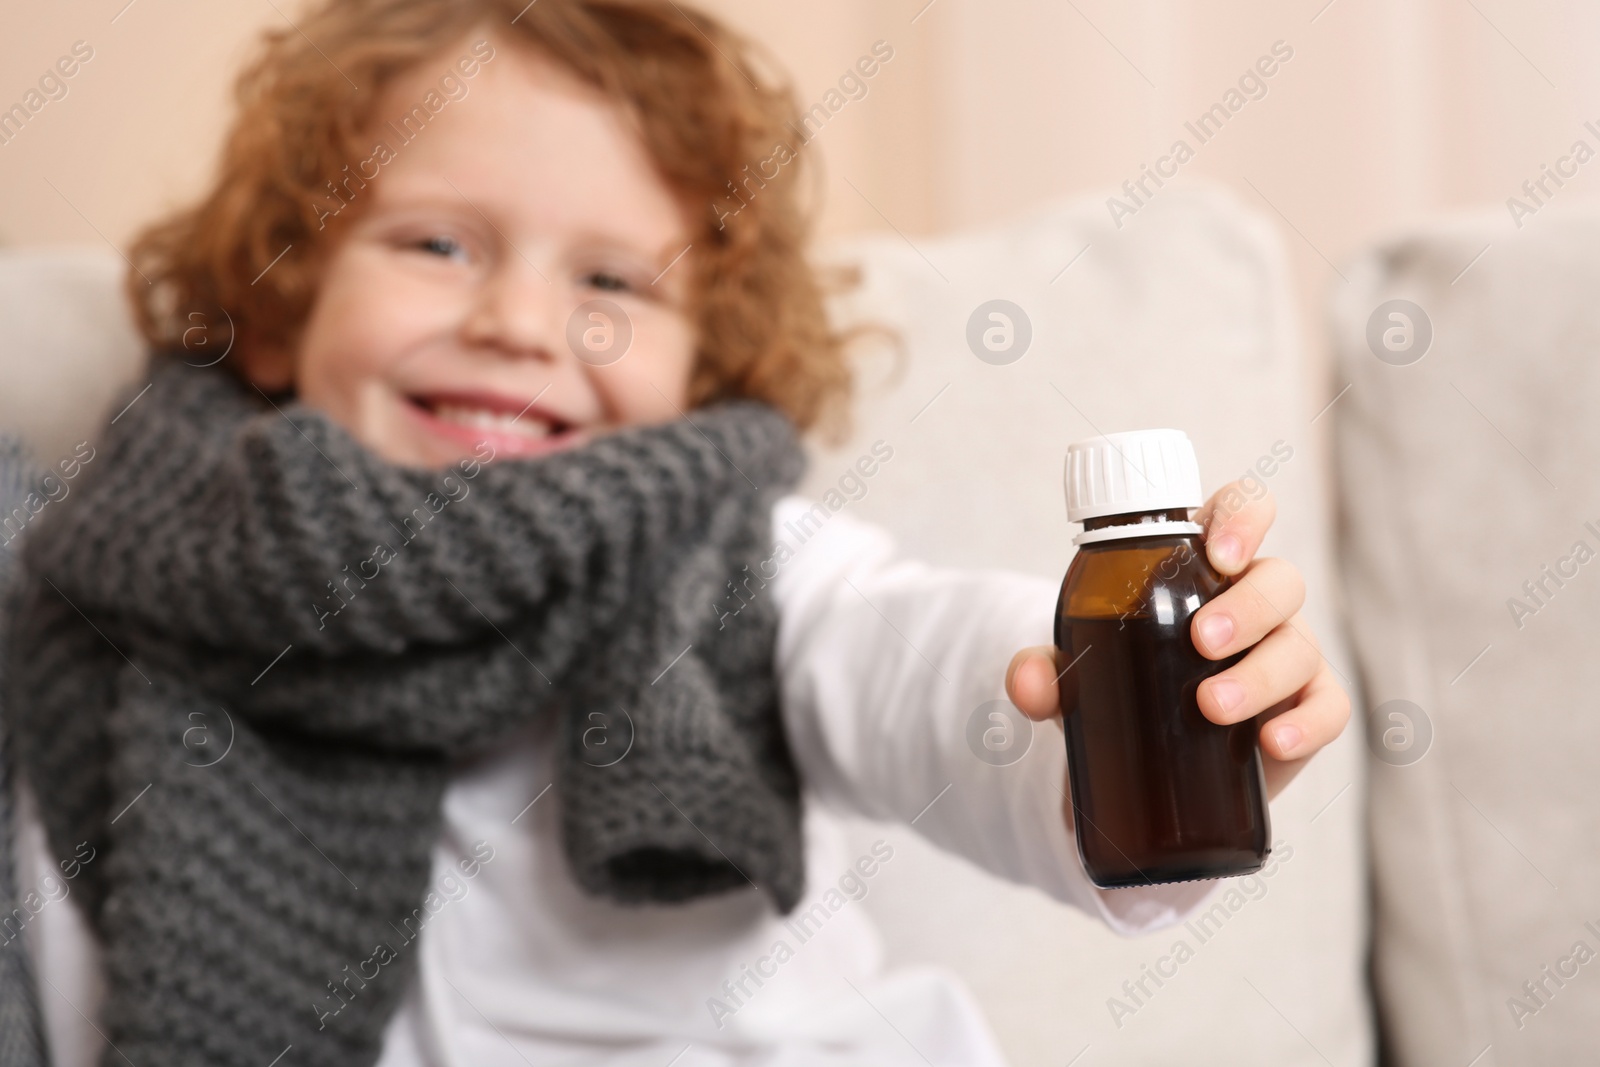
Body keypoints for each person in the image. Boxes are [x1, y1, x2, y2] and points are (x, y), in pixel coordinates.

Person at [0, 1, 1350, 1064]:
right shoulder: (116, 597)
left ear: (702, 366)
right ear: (287, 299)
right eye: (435, 246)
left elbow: (920, 664)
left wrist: (1113, 705)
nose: (523, 325)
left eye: (608, 282)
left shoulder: (738, 564)